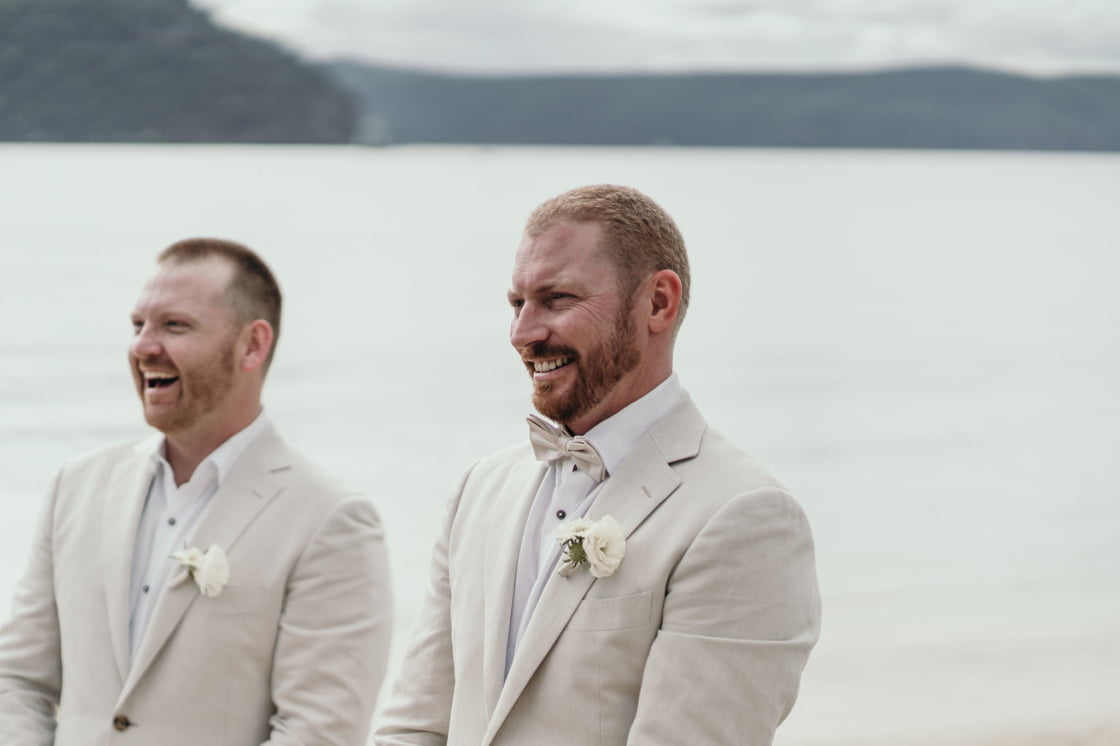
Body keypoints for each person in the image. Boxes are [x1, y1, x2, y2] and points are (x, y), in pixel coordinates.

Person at [374, 185, 821, 745]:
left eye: (557, 299)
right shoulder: (481, 489)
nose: (522, 333)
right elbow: (415, 725)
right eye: (517, 304)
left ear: (658, 303)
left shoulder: (744, 516)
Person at [0, 238, 393, 745]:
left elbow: (318, 731)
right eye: (137, 325)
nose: (143, 346)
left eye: (174, 325)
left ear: (252, 345)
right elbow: (18, 679)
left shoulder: (330, 520)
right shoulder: (76, 486)